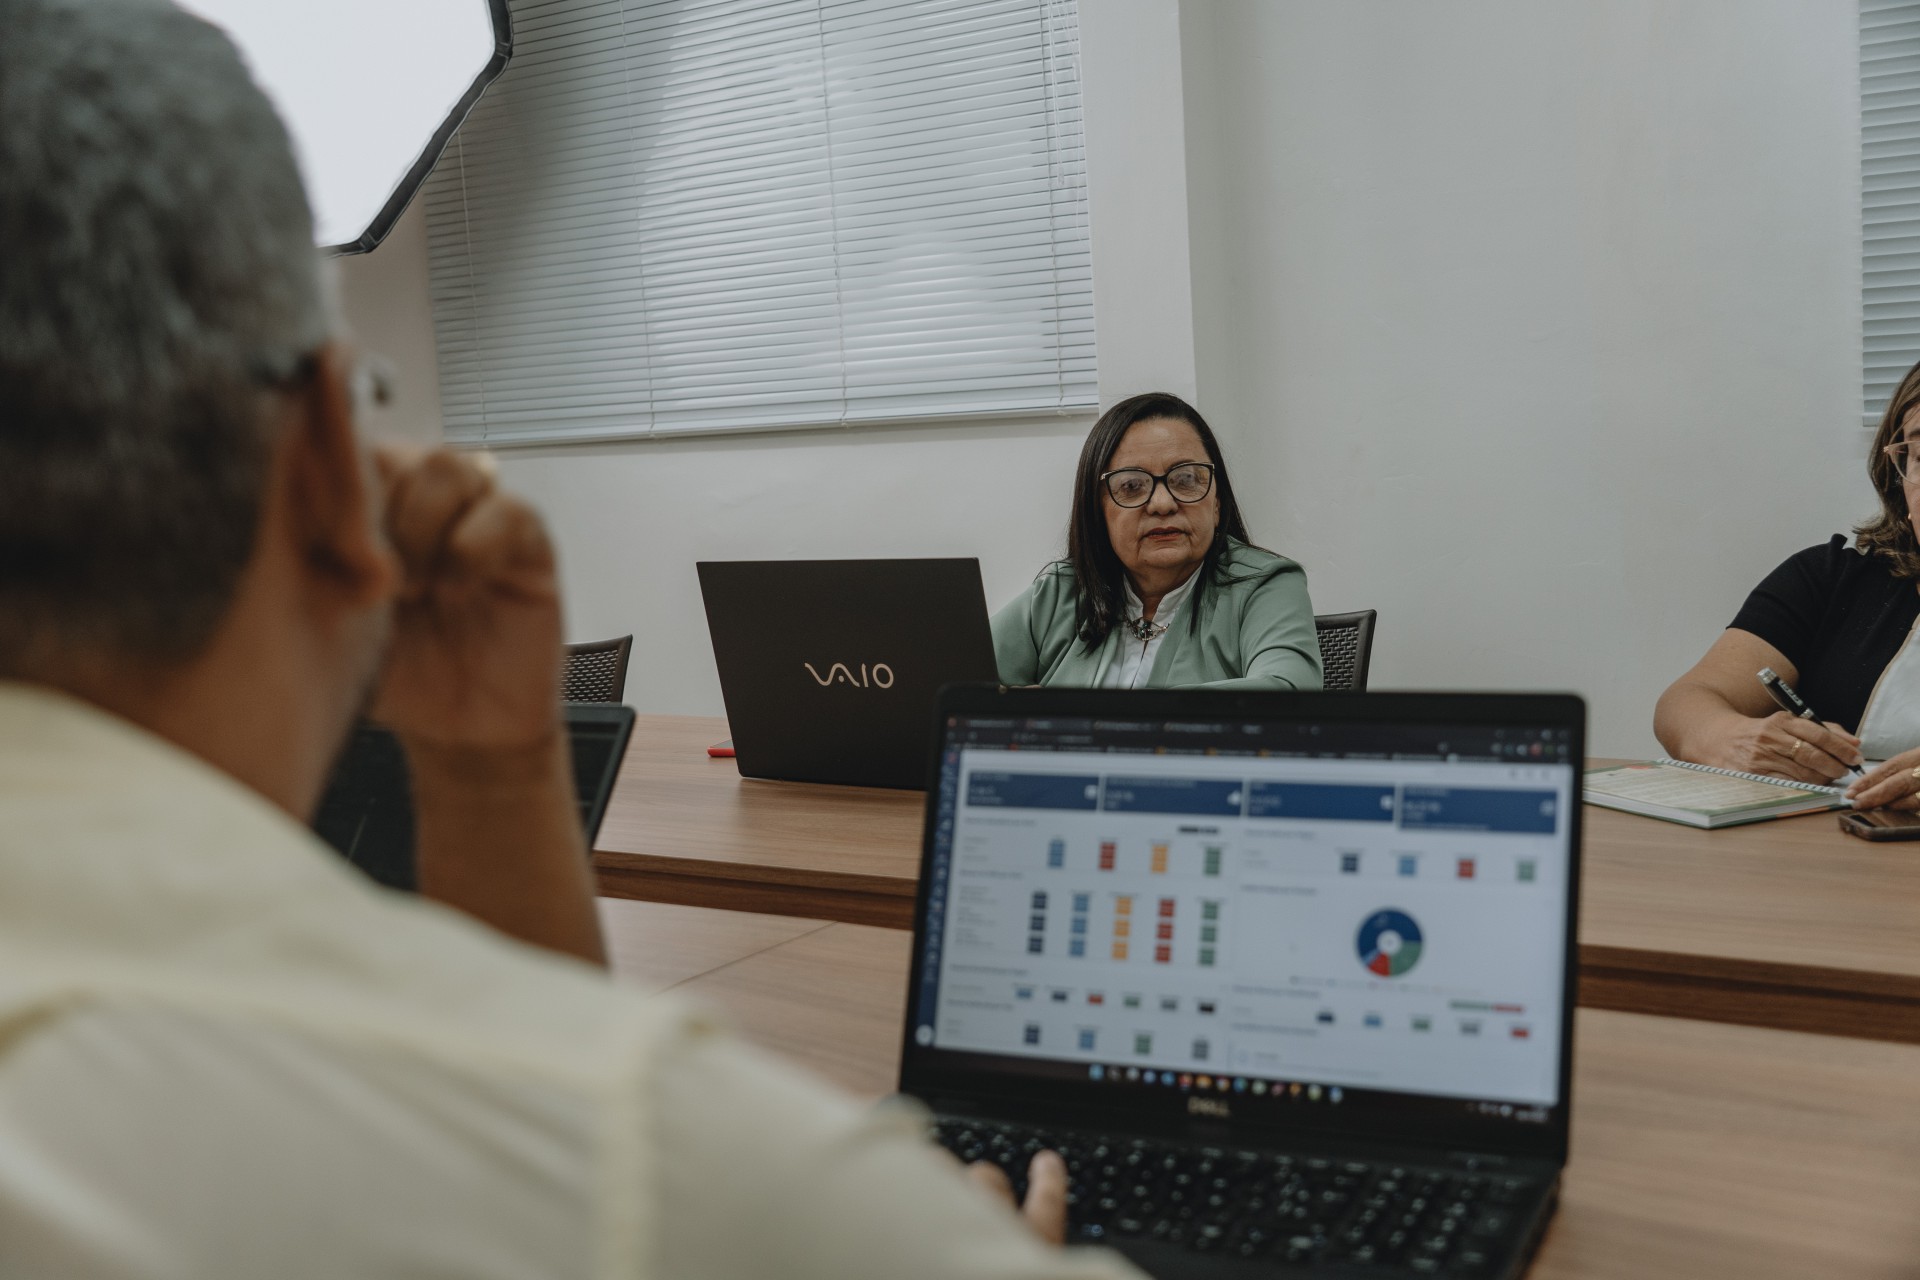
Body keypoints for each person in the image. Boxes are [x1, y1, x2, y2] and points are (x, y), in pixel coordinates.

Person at [0, 3, 1140, 1276]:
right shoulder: (728, 1187)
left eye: (1180, 483)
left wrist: (490, 782)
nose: (1154, 507)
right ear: (330, 454)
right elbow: (555, 1133)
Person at [1653, 356, 1920, 811]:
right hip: (1825, 856)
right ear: (1900, 475)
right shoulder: (1831, 578)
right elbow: (1685, 703)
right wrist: (1735, 739)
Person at [993, 393, 1323, 690]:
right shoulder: (1061, 592)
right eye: (1132, 486)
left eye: (1187, 479)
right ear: (1097, 511)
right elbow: (951, 677)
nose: (1162, 504)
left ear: (1217, 502)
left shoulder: (1264, 585)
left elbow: (1289, 691)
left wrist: (1086, 716)